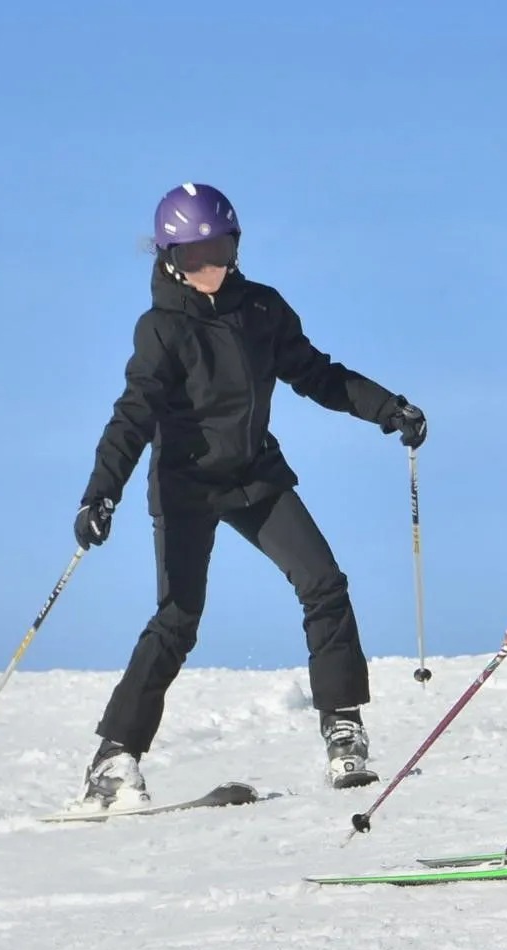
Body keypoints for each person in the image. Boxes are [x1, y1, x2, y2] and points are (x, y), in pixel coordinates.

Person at [72, 182, 428, 807]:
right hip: (186, 483)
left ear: (236, 247)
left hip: (255, 476)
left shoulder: (261, 310)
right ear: (167, 258)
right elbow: (133, 414)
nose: (207, 268)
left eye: (220, 250)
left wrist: (386, 408)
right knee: (177, 621)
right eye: (191, 257)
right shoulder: (161, 330)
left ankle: (343, 728)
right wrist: (100, 494)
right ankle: (115, 758)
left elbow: (317, 374)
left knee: (323, 581)